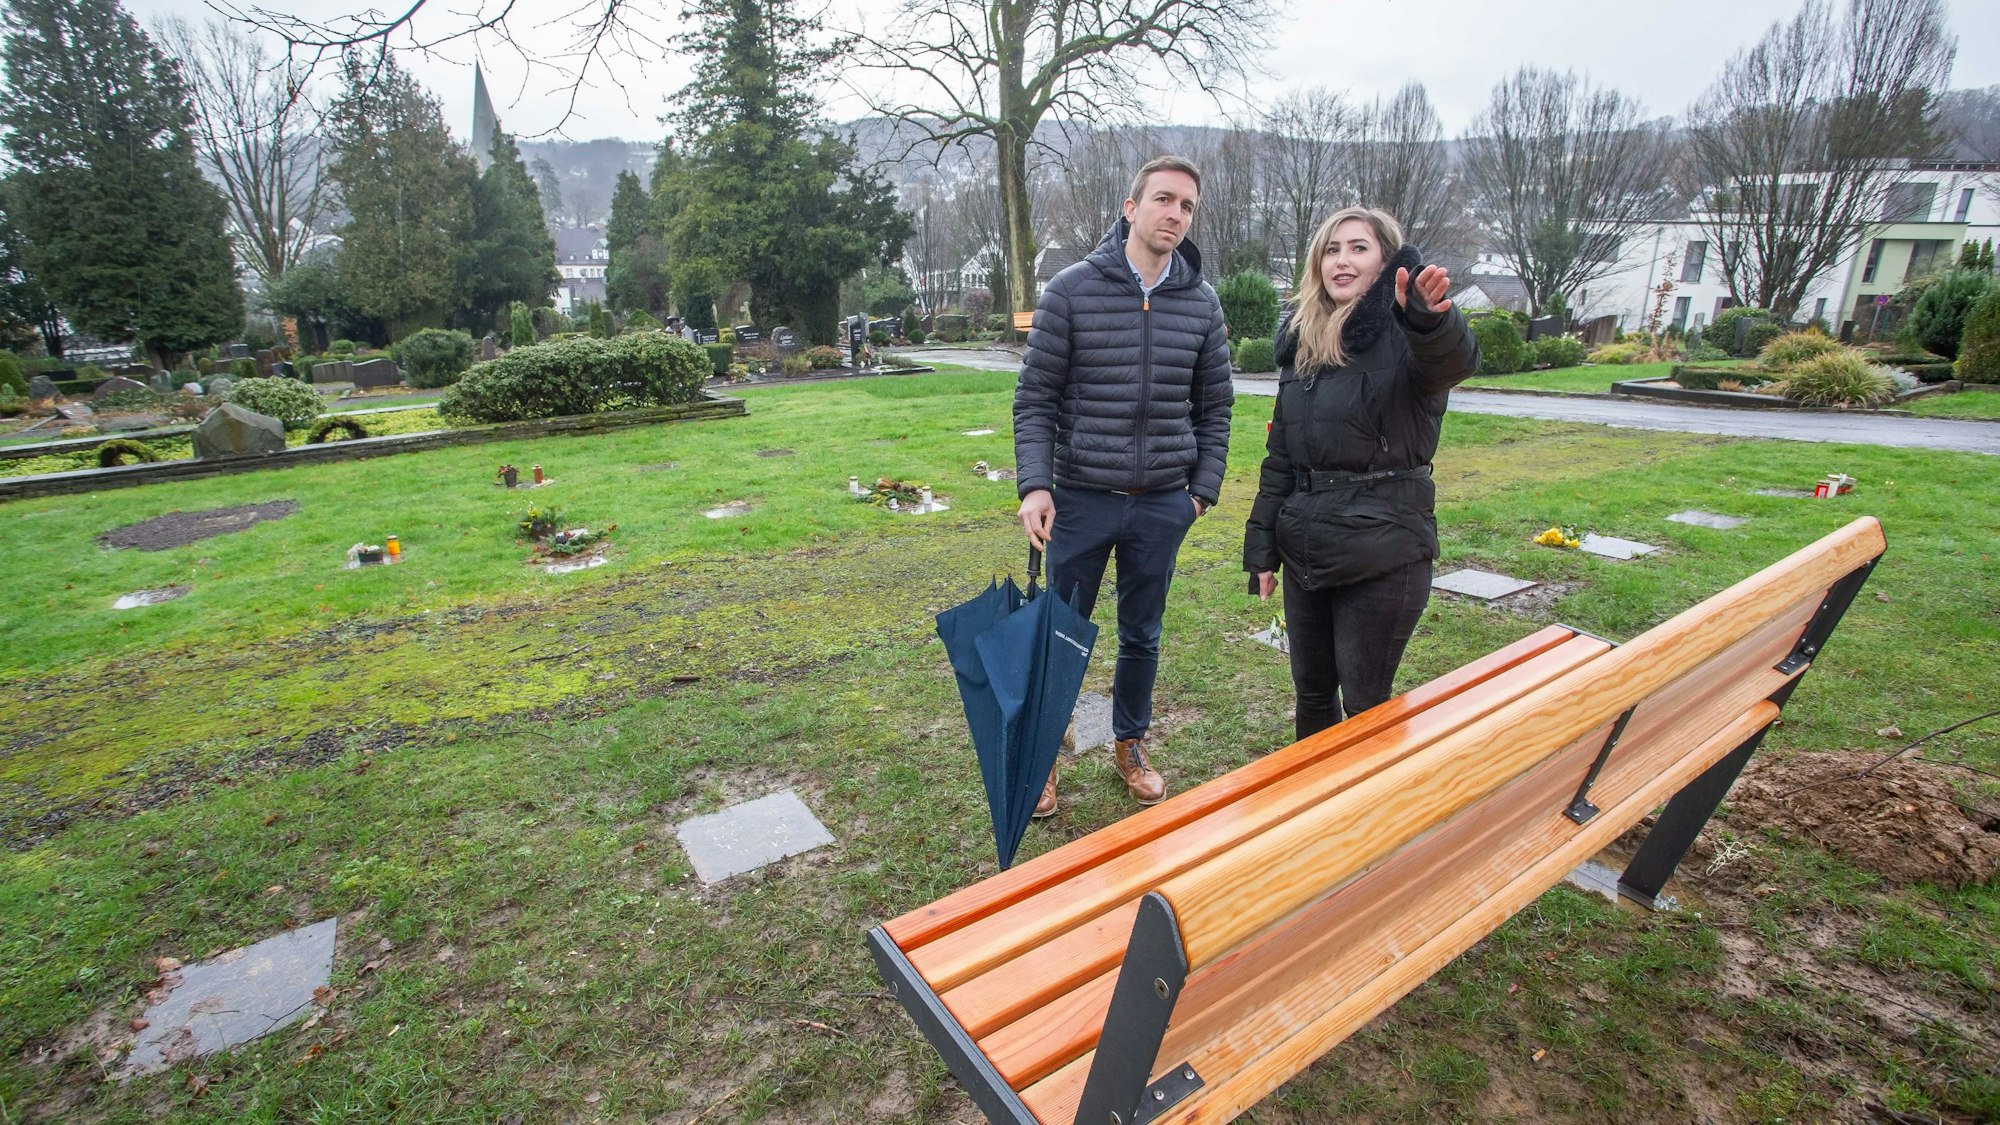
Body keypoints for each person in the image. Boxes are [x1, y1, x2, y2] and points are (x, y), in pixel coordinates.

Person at [1015, 154, 1235, 817]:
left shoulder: (1200, 303)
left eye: (1187, 206)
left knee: (1143, 634)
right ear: (1130, 207)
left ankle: (1130, 742)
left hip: (1161, 505)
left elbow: (1217, 406)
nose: (1175, 214)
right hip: (1081, 500)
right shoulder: (1072, 291)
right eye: (1163, 199)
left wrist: (1199, 493)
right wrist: (1036, 485)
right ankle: (1045, 756)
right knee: (1063, 634)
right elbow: (1035, 400)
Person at [1242, 207, 1479, 741]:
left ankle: (1373, 817)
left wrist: (1429, 319)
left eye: (1358, 248)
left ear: (1386, 261)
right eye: (1332, 249)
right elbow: (1281, 457)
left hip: (1383, 550)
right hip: (1306, 549)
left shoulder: (1406, 334)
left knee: (1367, 708)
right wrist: (1261, 549)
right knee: (1311, 695)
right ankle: (1314, 805)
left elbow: (1453, 362)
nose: (1342, 261)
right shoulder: (1302, 343)